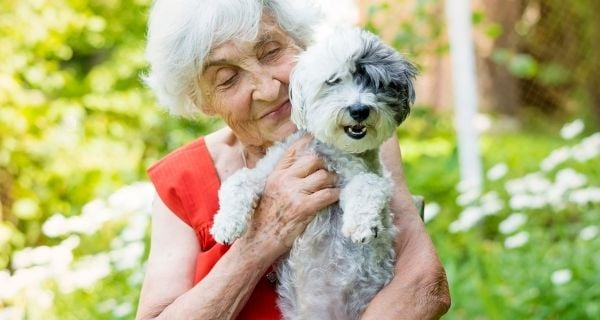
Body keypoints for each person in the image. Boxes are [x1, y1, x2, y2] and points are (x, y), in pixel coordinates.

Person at [135, 0, 450, 319]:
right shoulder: (182, 181)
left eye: (271, 51)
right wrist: (260, 241)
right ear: (201, 101)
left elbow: (425, 285)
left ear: (301, 42)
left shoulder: (357, 133)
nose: (269, 89)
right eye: (229, 78)